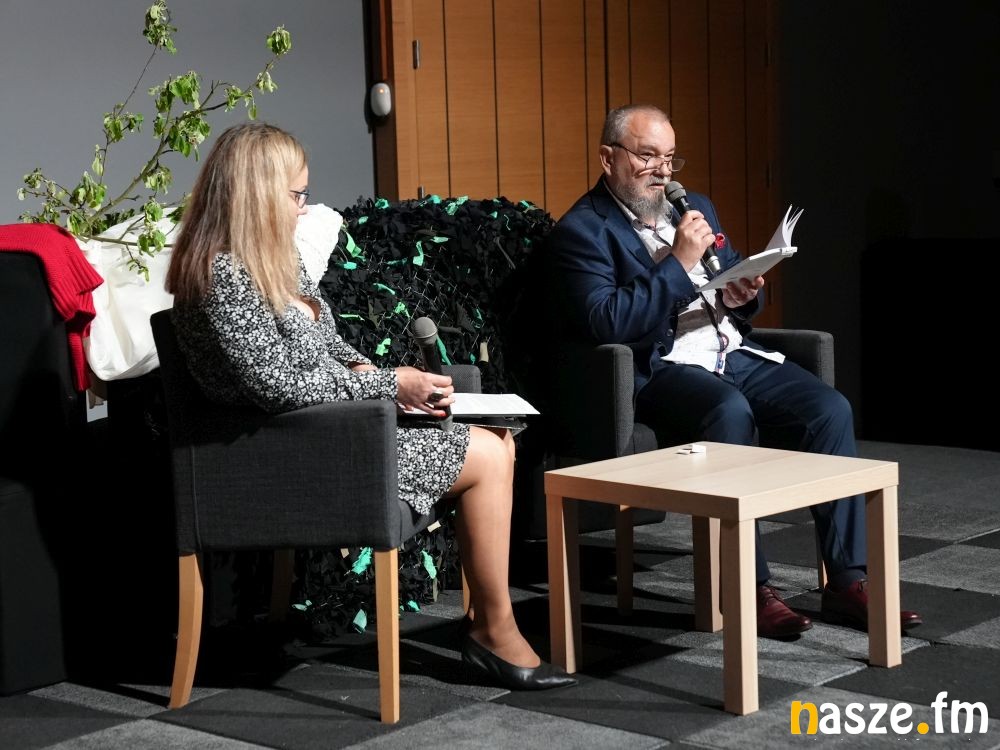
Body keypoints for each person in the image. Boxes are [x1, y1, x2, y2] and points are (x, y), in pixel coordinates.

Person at [164, 122, 575, 690]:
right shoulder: (222, 276)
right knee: (485, 454)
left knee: (497, 440)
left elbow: (329, 346)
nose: (304, 208)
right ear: (259, 192)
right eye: (297, 195)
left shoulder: (274, 261)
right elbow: (275, 386)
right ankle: (494, 629)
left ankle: (488, 621)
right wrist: (387, 386)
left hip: (322, 431)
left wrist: (366, 371)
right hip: (283, 455)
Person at [544, 104, 920, 638]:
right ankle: (750, 587)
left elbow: (731, 279)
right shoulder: (582, 230)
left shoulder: (695, 207)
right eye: (648, 156)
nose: (663, 171)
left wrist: (744, 293)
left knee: (829, 409)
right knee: (729, 411)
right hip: (659, 367)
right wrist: (678, 264)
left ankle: (846, 581)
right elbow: (606, 322)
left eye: (670, 158)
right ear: (608, 159)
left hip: (728, 351)